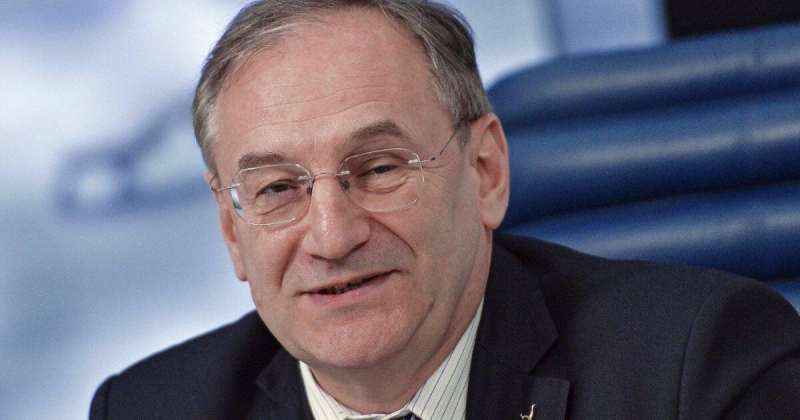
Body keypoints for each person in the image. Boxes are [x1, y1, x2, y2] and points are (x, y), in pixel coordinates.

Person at [89, 1, 800, 419]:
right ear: (231, 230)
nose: (332, 236)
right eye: (277, 189)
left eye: (379, 169)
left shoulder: (697, 370)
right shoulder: (152, 408)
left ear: (485, 171)